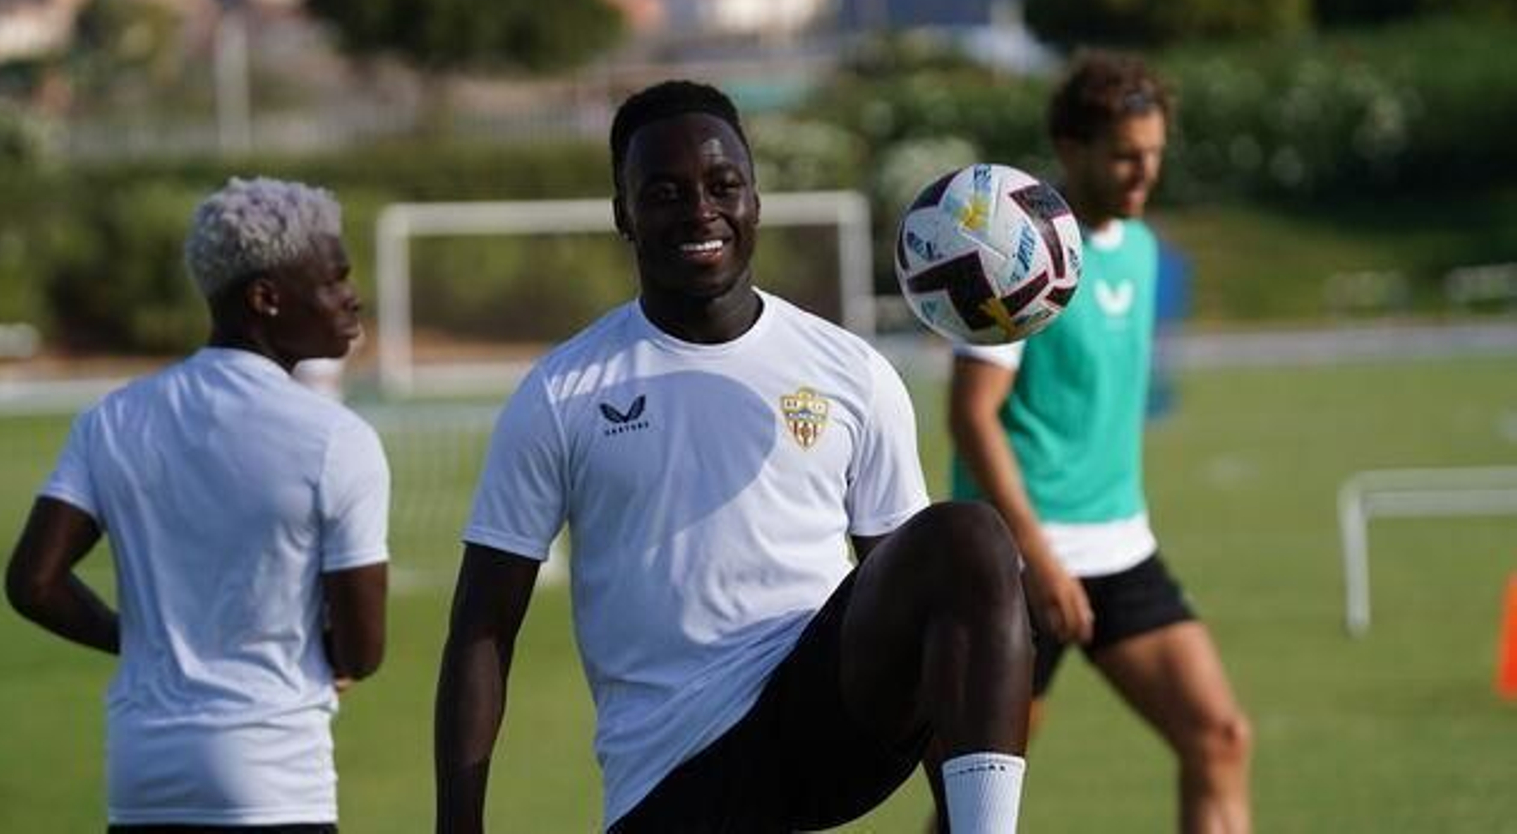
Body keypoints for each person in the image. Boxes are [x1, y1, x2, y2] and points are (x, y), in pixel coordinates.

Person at [435, 80, 1034, 834]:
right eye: (665, 192)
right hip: (673, 773)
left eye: (724, 185)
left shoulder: (850, 370)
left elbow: (922, 610)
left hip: (826, 719)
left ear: (755, 197)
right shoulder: (564, 391)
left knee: (969, 538)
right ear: (623, 213)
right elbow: (482, 629)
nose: (700, 211)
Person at [5, 177, 391, 833]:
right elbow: (361, 651)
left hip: (142, 775)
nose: (352, 297)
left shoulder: (115, 418)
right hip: (273, 779)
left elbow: (33, 583)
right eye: (333, 280)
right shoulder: (336, 438)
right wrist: (329, 656)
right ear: (265, 298)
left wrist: (142, 641)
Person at [942, 53, 1253, 833]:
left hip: (1120, 549)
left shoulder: (1142, 247)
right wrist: (1040, 561)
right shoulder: (1020, 257)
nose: (1144, 171)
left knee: (1219, 738)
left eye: (1154, 152)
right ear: (1070, 147)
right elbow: (971, 416)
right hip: (1018, 563)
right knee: (977, 805)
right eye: (1124, 154)